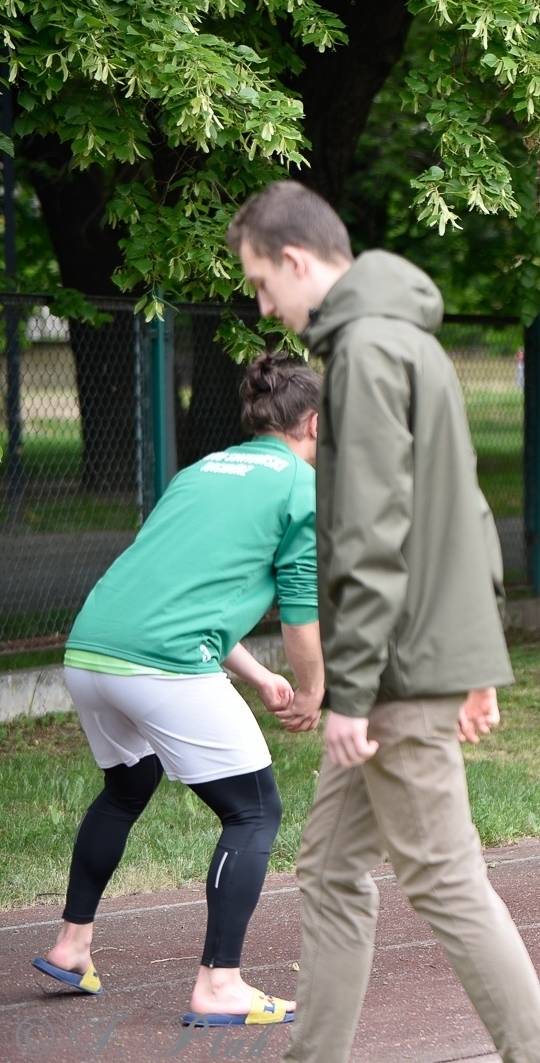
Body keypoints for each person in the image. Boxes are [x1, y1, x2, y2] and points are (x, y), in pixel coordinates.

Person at [226, 180, 540, 1063]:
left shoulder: (370, 353)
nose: (266, 305)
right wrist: (475, 659)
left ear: (297, 261)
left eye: (263, 283)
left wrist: (353, 693)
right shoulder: (410, 342)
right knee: (332, 871)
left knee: (447, 883)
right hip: (417, 658)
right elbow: (469, 512)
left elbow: (373, 536)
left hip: (395, 675)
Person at [34, 353, 324, 1024]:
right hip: (161, 665)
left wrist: (257, 676)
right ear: (312, 423)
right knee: (253, 812)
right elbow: (301, 614)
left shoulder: (202, 471)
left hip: (91, 649)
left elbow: (175, 591)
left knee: (129, 784)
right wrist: (311, 691)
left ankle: (72, 947)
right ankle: (220, 985)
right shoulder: (299, 487)